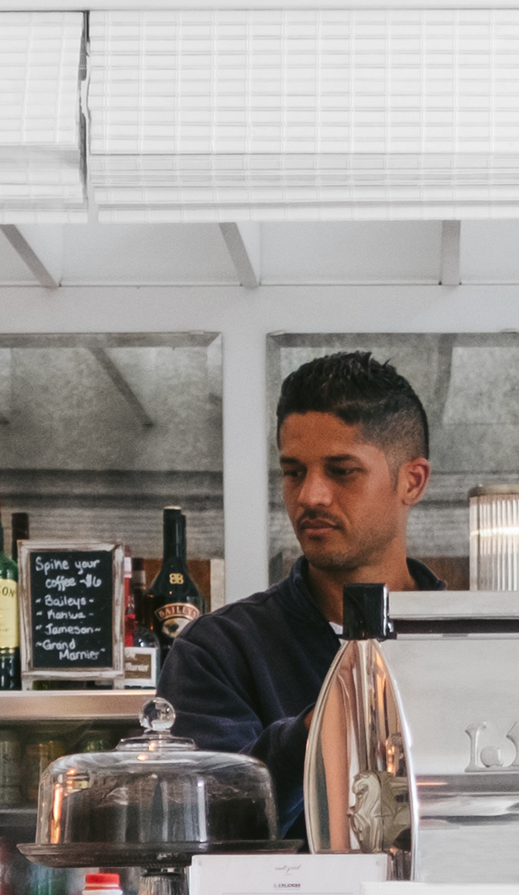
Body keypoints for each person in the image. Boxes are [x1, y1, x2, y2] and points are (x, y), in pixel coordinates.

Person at [159, 349, 442, 828]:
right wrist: (327, 724)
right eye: (294, 472)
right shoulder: (217, 651)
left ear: (411, 481)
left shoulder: (468, 645)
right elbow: (205, 824)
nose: (310, 495)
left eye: (341, 470)